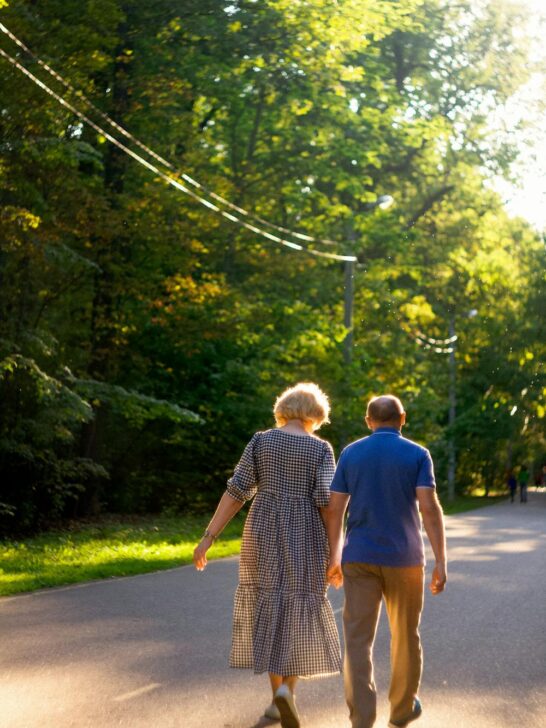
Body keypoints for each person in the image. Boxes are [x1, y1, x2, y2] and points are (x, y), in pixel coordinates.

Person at [193, 382, 342, 728]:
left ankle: (278, 695)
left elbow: (236, 491)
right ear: (315, 415)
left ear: (284, 409)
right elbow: (327, 506)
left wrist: (208, 537)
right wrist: (336, 554)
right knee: (301, 608)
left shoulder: (261, 441)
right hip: (306, 534)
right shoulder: (320, 449)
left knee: (268, 605)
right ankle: (287, 691)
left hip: (263, 531)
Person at [322, 395, 447, 728]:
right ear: (402, 418)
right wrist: (441, 561)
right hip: (405, 559)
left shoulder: (351, 453)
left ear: (368, 421)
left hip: (359, 558)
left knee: (357, 640)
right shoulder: (418, 455)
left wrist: (333, 556)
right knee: (406, 635)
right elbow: (429, 509)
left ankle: (362, 719)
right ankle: (402, 709)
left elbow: (335, 509)